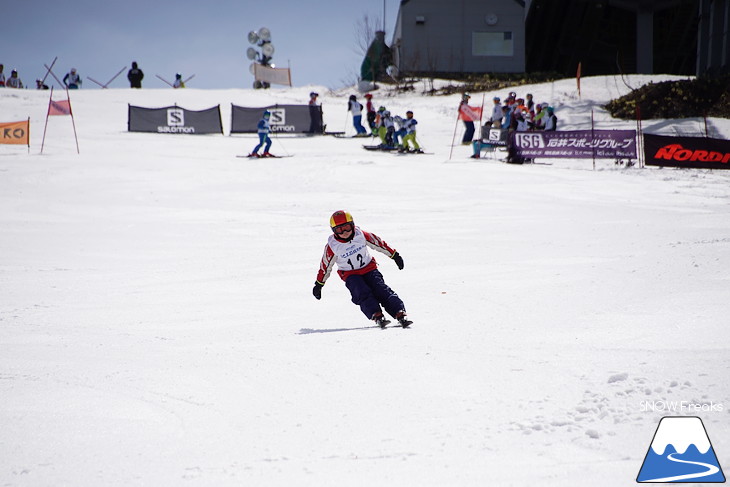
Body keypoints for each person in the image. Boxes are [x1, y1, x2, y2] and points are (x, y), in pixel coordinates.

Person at [312, 210, 411, 328]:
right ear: (334, 231)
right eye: (339, 230)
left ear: (352, 225)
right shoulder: (333, 246)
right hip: (350, 274)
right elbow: (325, 266)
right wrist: (319, 284)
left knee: (381, 289)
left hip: (369, 268)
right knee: (361, 291)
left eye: (347, 227)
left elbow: (379, 243)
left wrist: (394, 255)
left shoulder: (361, 235)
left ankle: (399, 312)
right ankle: (376, 314)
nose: (344, 232)